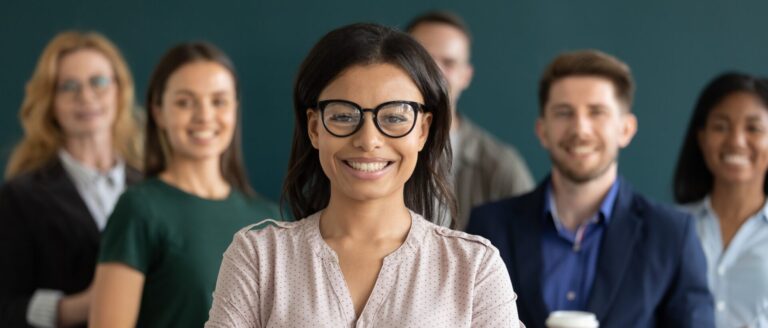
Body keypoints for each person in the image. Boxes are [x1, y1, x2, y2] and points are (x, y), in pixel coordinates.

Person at [206, 23, 521, 327]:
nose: (368, 140)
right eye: (343, 116)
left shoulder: (474, 267)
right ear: (315, 128)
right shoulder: (259, 258)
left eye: (395, 117)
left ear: (423, 130)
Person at [467, 49, 714, 327]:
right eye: (563, 113)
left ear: (626, 129)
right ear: (542, 130)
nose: (580, 129)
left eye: (597, 112)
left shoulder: (671, 235)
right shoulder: (488, 227)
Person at [88, 42, 280, 328]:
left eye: (218, 101)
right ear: (158, 112)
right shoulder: (139, 209)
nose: (204, 115)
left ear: (235, 109)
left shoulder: (269, 221)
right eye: (184, 102)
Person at [0, 31, 142, 328]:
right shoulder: (21, 197)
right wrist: (82, 305)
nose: (86, 96)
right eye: (68, 86)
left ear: (120, 89)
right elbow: (7, 308)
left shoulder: (151, 186)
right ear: (50, 102)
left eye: (99, 82)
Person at [406, 11, 534, 230]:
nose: (435, 71)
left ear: (466, 76)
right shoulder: (370, 152)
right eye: (424, 59)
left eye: (449, 62)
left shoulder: (501, 166)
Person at [674, 72, 768, 327]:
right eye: (721, 127)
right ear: (702, 139)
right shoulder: (669, 227)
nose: (736, 141)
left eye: (753, 128)